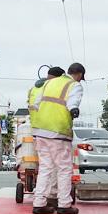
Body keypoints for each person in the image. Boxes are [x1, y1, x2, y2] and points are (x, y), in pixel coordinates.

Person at [31, 62, 86, 214]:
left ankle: (39, 203)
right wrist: (74, 109)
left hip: (41, 130)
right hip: (58, 131)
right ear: (79, 75)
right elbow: (73, 101)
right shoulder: (74, 85)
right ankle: (64, 204)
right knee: (64, 168)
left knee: (45, 168)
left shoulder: (49, 83)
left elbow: (36, 103)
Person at [25, 66, 65, 206]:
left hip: (36, 130)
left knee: (44, 166)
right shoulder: (52, 88)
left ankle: (39, 197)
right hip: (51, 129)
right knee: (55, 167)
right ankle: (51, 195)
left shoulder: (34, 89)